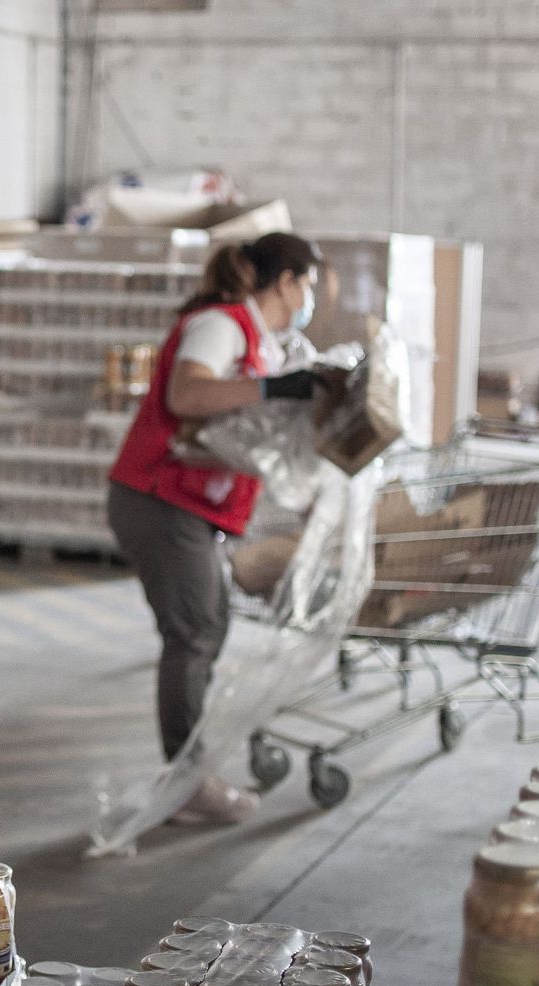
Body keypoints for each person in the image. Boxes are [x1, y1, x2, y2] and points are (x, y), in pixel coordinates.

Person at [107, 232, 324, 826]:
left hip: (188, 505)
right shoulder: (221, 325)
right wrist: (275, 388)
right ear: (286, 282)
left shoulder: (265, 342)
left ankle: (188, 773)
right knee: (196, 631)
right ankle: (185, 783)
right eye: (307, 284)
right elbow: (186, 393)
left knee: (208, 626)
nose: (309, 298)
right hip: (158, 501)